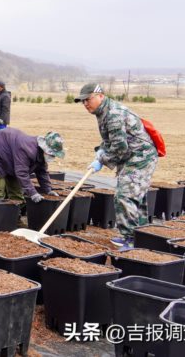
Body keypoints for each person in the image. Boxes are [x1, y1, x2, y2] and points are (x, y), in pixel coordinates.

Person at [75, 83, 158, 250]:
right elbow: (110, 140)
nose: (85, 104)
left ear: (100, 96)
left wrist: (102, 160)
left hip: (140, 158)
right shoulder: (102, 112)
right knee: (136, 197)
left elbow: (120, 148)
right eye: (82, 101)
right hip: (130, 157)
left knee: (124, 196)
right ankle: (139, 237)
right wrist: (101, 151)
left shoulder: (114, 114)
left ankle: (131, 240)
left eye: (88, 99)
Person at [0, 127, 65, 207]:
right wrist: (33, 193)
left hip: (11, 160)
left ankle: (15, 218)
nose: (52, 157)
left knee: (17, 192)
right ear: (45, 148)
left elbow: (42, 172)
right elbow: (22, 173)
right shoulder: (27, 149)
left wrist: (48, 190)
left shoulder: (40, 154)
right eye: (51, 154)